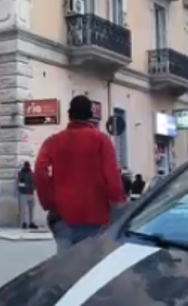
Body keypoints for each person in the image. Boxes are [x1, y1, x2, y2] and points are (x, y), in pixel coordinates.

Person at [35, 95, 125, 252]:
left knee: (66, 264)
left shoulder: (54, 141)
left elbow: (40, 172)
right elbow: (112, 180)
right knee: (93, 264)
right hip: (96, 217)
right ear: (91, 115)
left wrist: (50, 204)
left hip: (63, 216)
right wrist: (118, 205)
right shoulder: (102, 141)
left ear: (70, 115)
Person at [16, 161, 38, 230]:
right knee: (24, 210)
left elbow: (35, 182)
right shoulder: (21, 174)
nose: (28, 167)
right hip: (24, 193)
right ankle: (24, 222)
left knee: (31, 209)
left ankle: (31, 222)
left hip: (30, 193)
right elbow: (18, 184)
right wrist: (26, 186)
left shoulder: (31, 173)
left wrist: (33, 187)